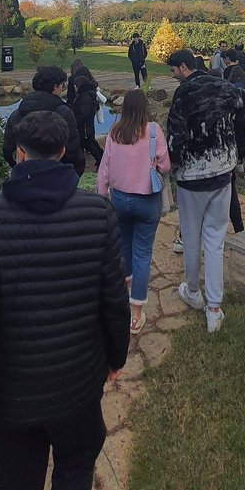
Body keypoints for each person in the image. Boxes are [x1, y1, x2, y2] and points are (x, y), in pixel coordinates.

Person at [0, 111, 130, 490]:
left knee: (16, 486)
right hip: (76, 381)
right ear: (62, 154)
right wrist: (117, 356)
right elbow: (114, 298)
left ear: (19, 154)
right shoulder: (97, 214)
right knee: (74, 470)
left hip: (12, 385)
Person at [166, 49, 242, 333]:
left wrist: (172, 165)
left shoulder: (183, 94)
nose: (172, 76)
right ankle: (214, 308)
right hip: (222, 171)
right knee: (215, 239)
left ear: (183, 67)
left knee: (192, 237)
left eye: (173, 70)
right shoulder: (223, 85)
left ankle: (193, 291)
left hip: (192, 176)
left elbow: (177, 136)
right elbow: (243, 102)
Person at [97, 89, 170, 333]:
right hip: (146, 199)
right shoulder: (152, 131)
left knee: (124, 246)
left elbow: (104, 168)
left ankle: (126, 285)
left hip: (119, 198)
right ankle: (136, 312)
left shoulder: (115, 132)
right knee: (142, 253)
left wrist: (101, 195)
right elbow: (166, 165)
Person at [3, 65, 84, 175]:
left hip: (25, 175)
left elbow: (8, 149)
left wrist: (20, 168)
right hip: (56, 177)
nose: (62, 88)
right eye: (62, 85)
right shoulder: (63, 113)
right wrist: (73, 174)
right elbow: (72, 150)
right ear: (55, 86)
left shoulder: (17, 114)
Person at [72, 69, 104, 167]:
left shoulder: (85, 97)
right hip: (87, 125)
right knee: (91, 142)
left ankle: (100, 159)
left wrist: (76, 121)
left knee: (89, 143)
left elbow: (84, 113)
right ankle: (101, 157)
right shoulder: (87, 94)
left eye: (75, 86)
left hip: (84, 126)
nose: (75, 88)